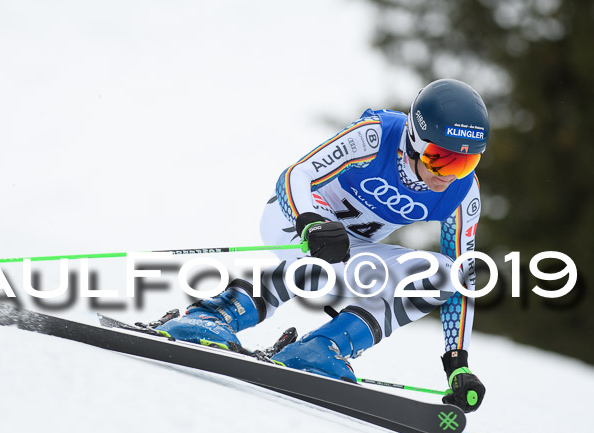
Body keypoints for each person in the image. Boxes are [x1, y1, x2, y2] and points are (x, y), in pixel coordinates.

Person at [158, 78, 488, 413]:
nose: (448, 175)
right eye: (439, 159)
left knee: (446, 274)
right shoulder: (377, 135)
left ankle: (323, 347)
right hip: (296, 218)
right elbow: (295, 175)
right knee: (327, 262)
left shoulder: (462, 192)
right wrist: (311, 222)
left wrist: (456, 362)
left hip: (352, 250)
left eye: (465, 162)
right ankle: (213, 314)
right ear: (415, 140)